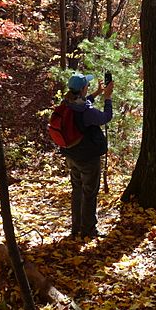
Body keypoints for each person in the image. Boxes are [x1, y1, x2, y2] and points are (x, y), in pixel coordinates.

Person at [60, 72, 114, 238]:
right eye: (87, 86)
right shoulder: (86, 111)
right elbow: (105, 117)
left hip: (71, 155)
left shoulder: (67, 102)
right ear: (83, 88)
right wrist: (107, 98)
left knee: (77, 190)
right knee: (89, 193)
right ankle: (89, 230)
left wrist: (97, 93)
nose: (88, 87)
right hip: (87, 158)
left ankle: (76, 227)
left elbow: (83, 103)